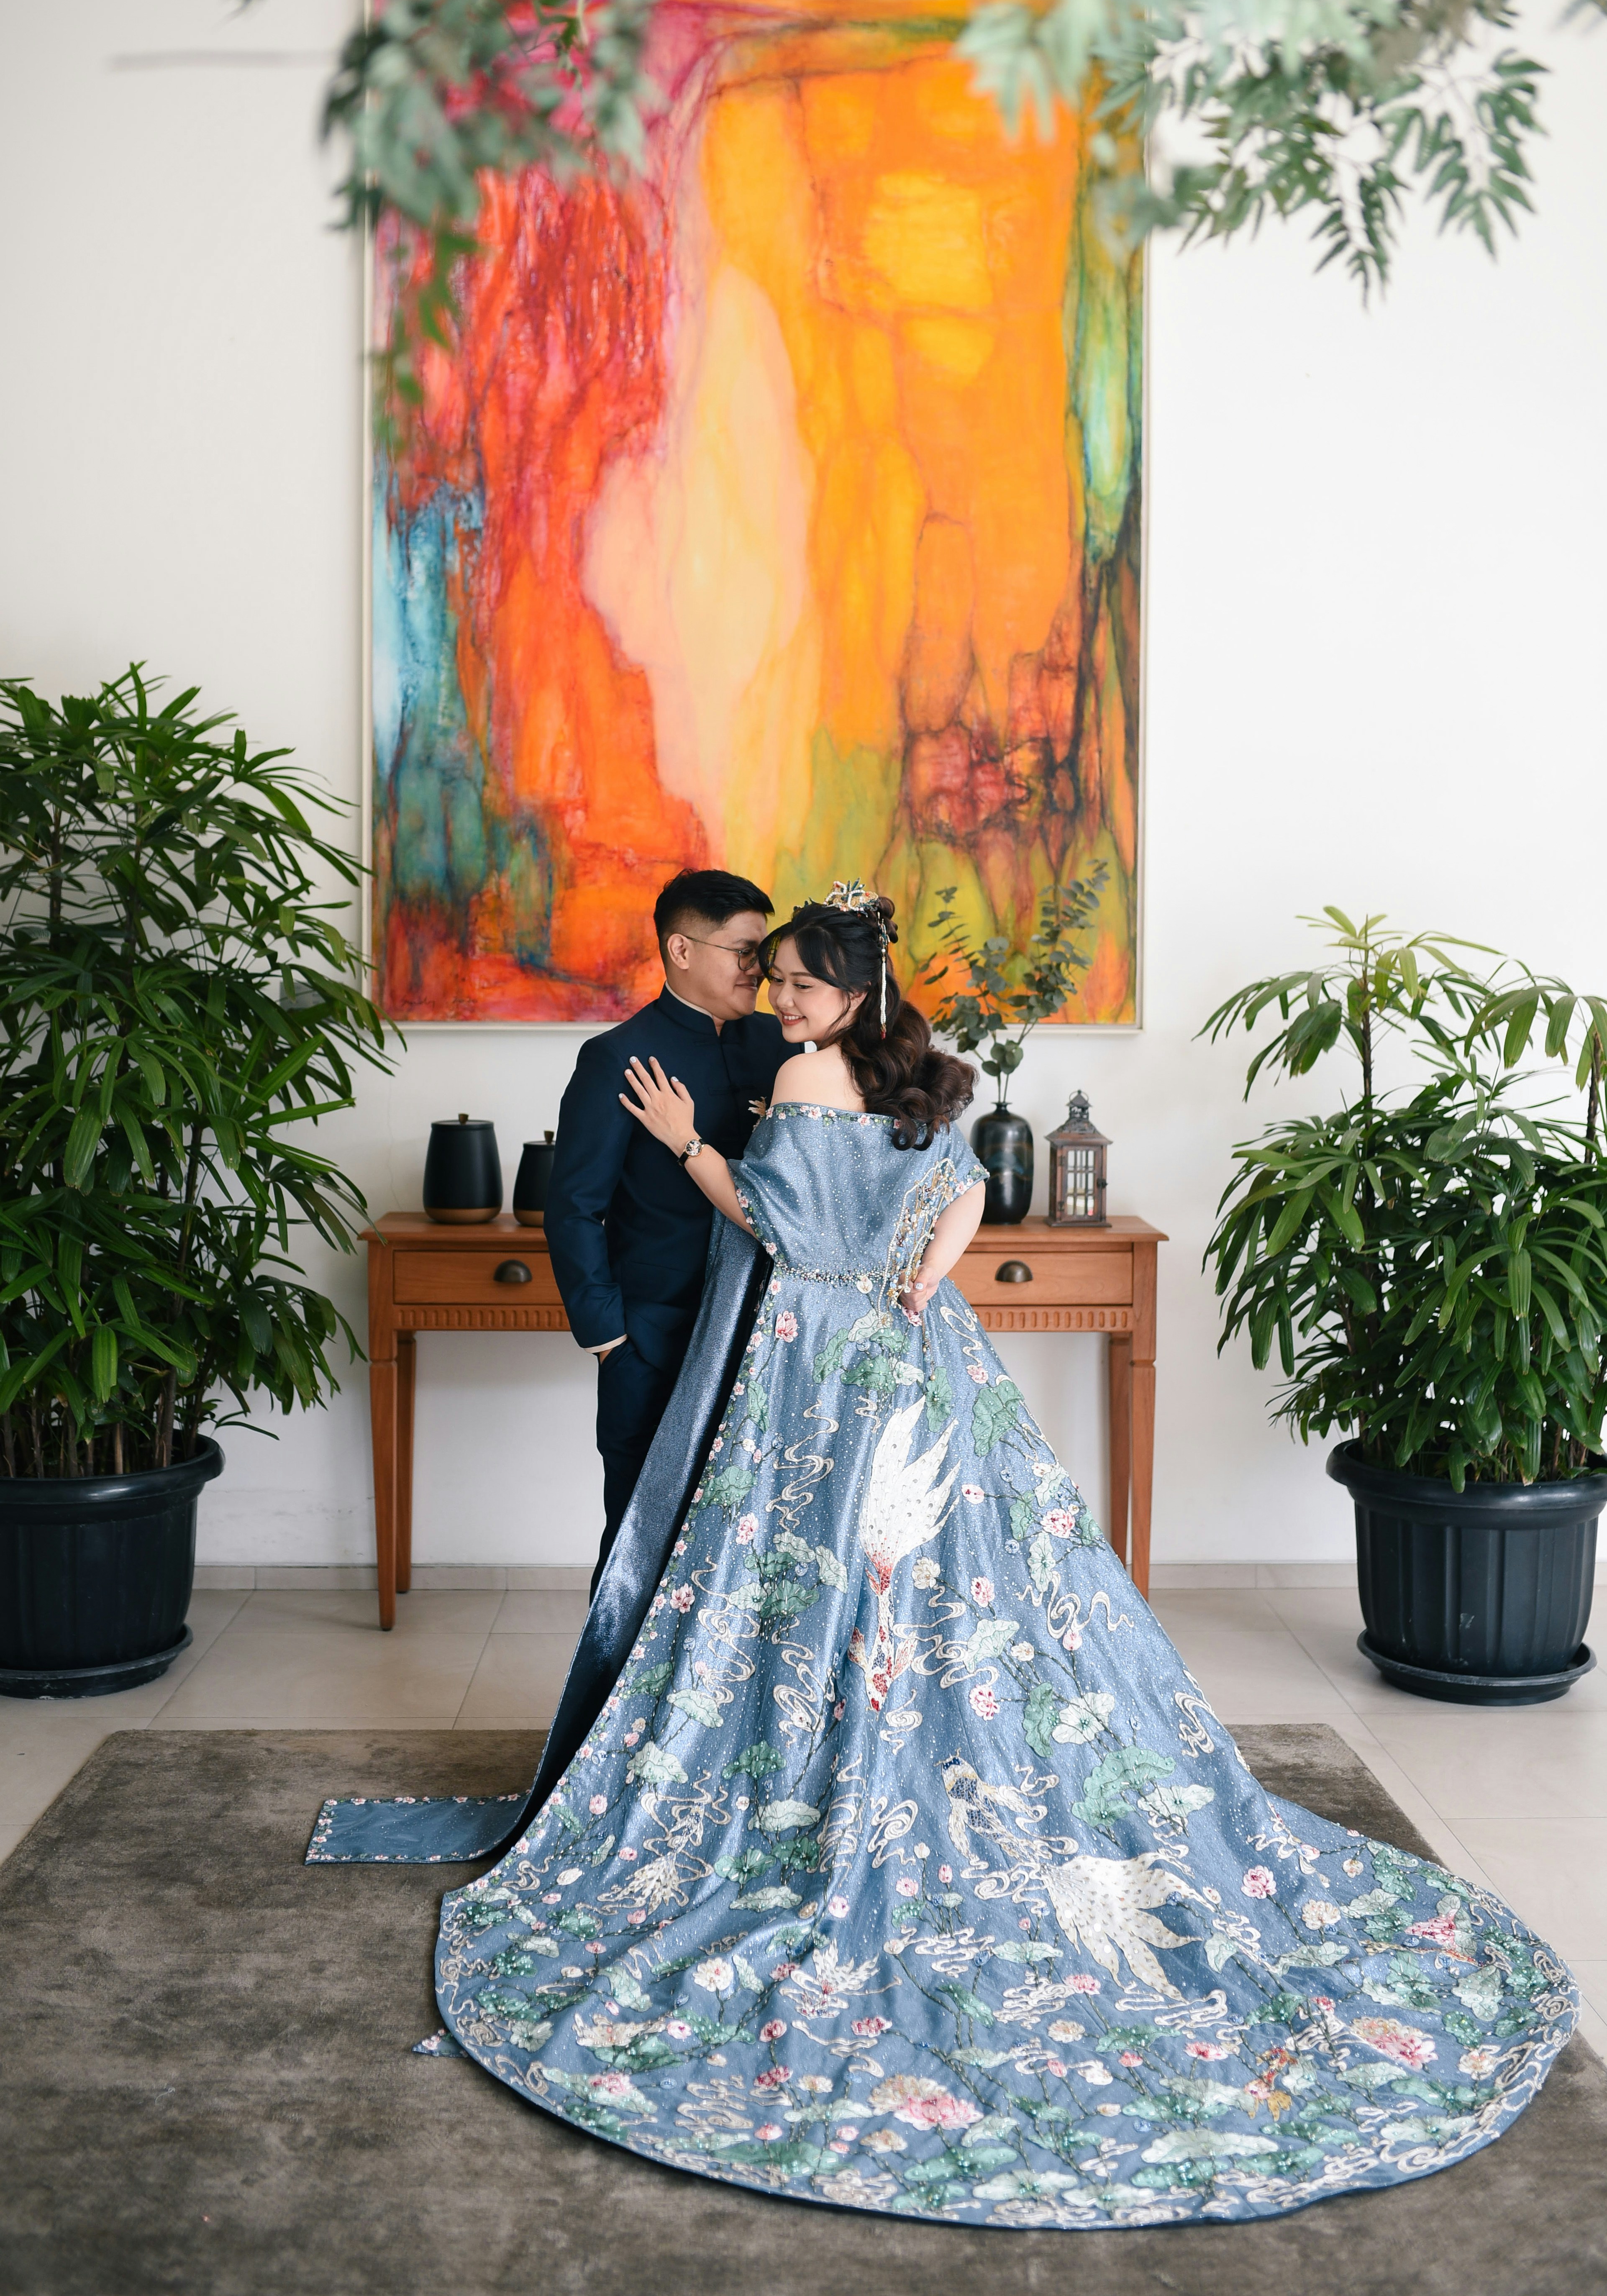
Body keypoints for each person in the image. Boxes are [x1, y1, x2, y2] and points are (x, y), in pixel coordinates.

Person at [312, 885, 1571, 2230]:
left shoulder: (793, 1068)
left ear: (843, 993)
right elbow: (960, 1186)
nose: (778, 995)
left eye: (794, 977)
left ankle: (796, 1768)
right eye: (769, 973)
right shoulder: (893, 1074)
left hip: (815, 1368)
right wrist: (917, 1282)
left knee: (778, 1587)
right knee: (954, 1583)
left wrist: (689, 1147)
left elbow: (783, 1228)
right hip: (913, 1359)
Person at [544, 869, 788, 1591]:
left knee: (752, 1542)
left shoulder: (783, 1049)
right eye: (743, 952)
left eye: (762, 952)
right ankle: (605, 1707)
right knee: (639, 1540)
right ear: (680, 951)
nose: (759, 970)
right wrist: (609, 1337)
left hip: (763, 1335)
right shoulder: (615, 1056)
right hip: (652, 1338)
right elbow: (573, 1207)